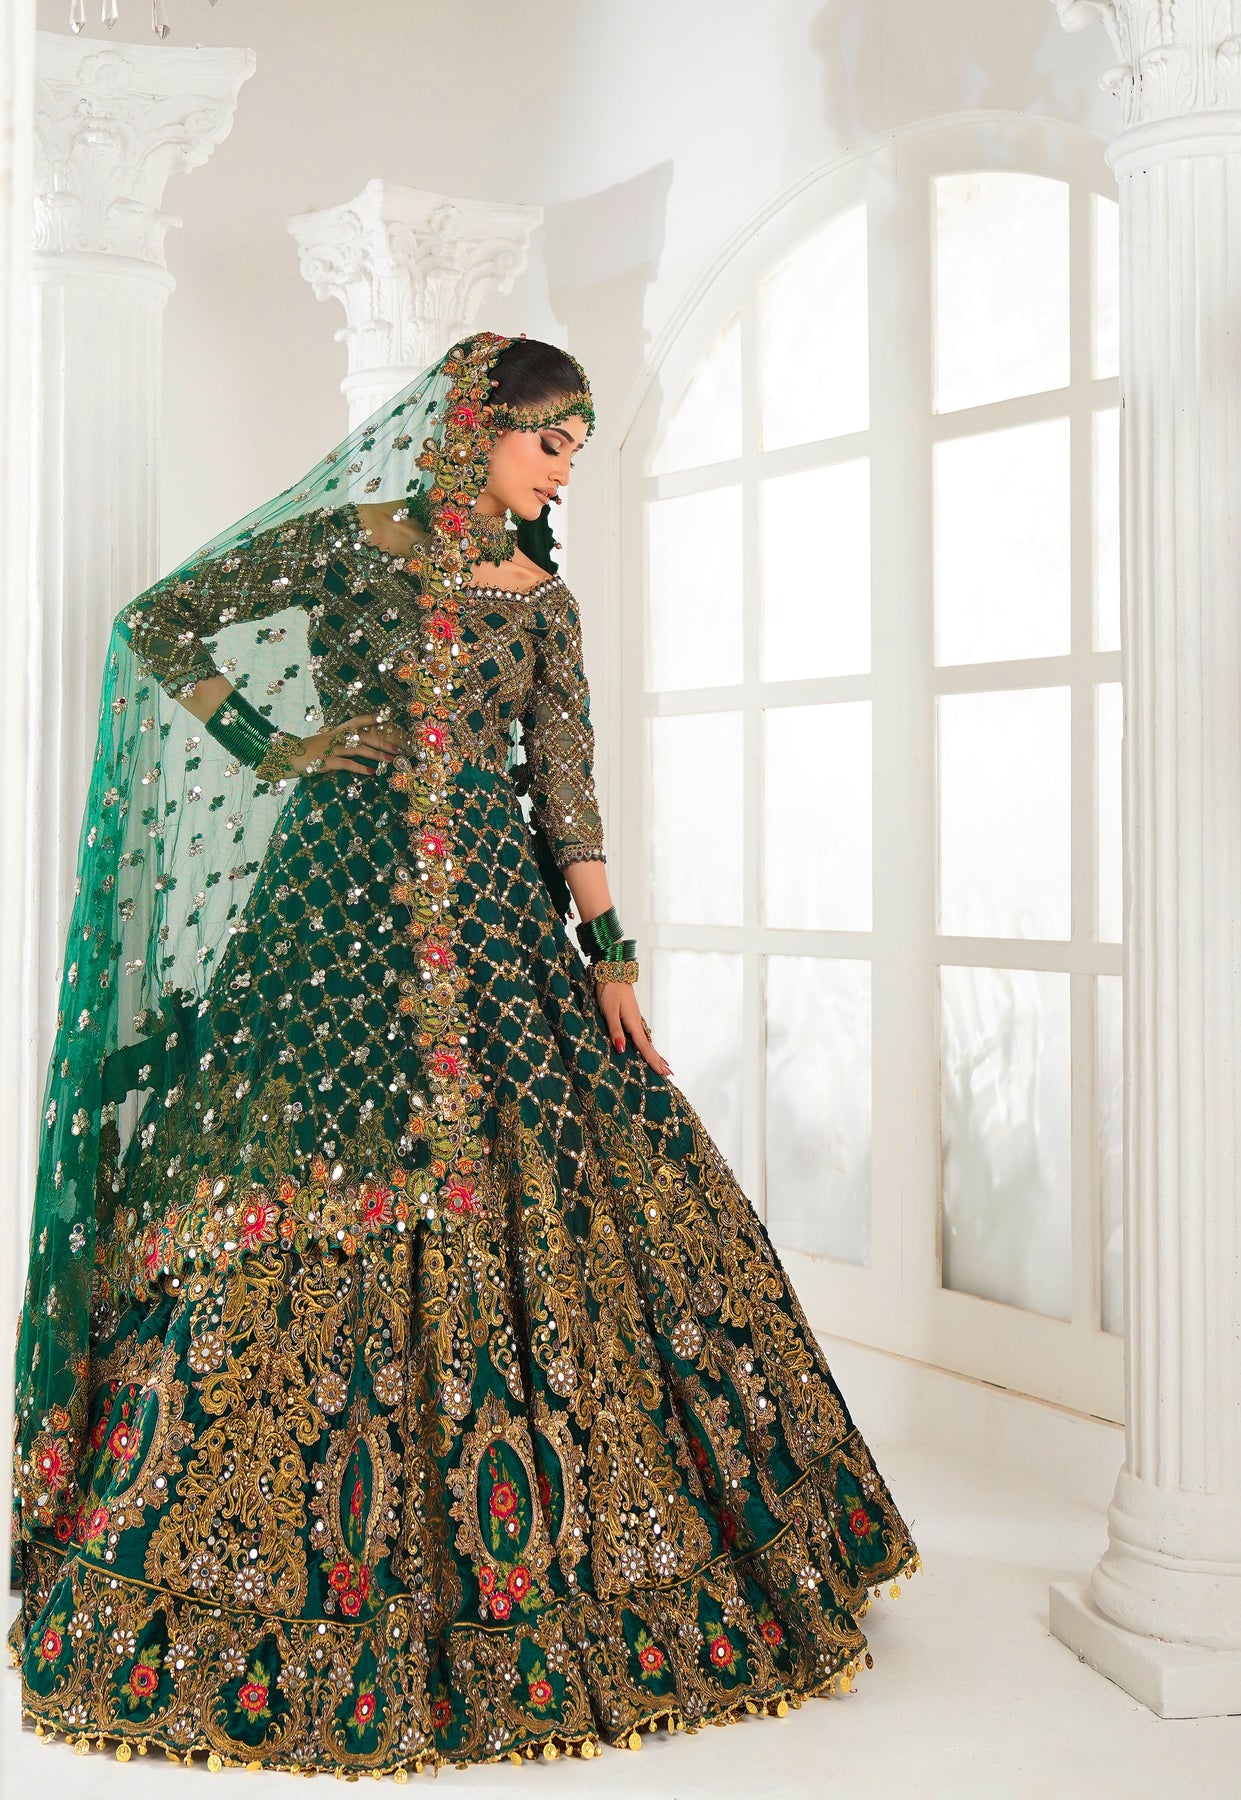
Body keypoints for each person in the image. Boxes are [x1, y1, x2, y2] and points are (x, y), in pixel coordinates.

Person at [7, 330, 920, 1775]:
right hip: (334, 909)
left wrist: (611, 960)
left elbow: (568, 792)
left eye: (577, 449)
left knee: (565, 1174)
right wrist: (281, 746)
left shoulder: (543, 602)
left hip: (494, 924)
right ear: (473, 424)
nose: (563, 469)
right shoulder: (347, 545)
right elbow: (160, 623)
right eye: (549, 439)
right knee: (295, 1161)